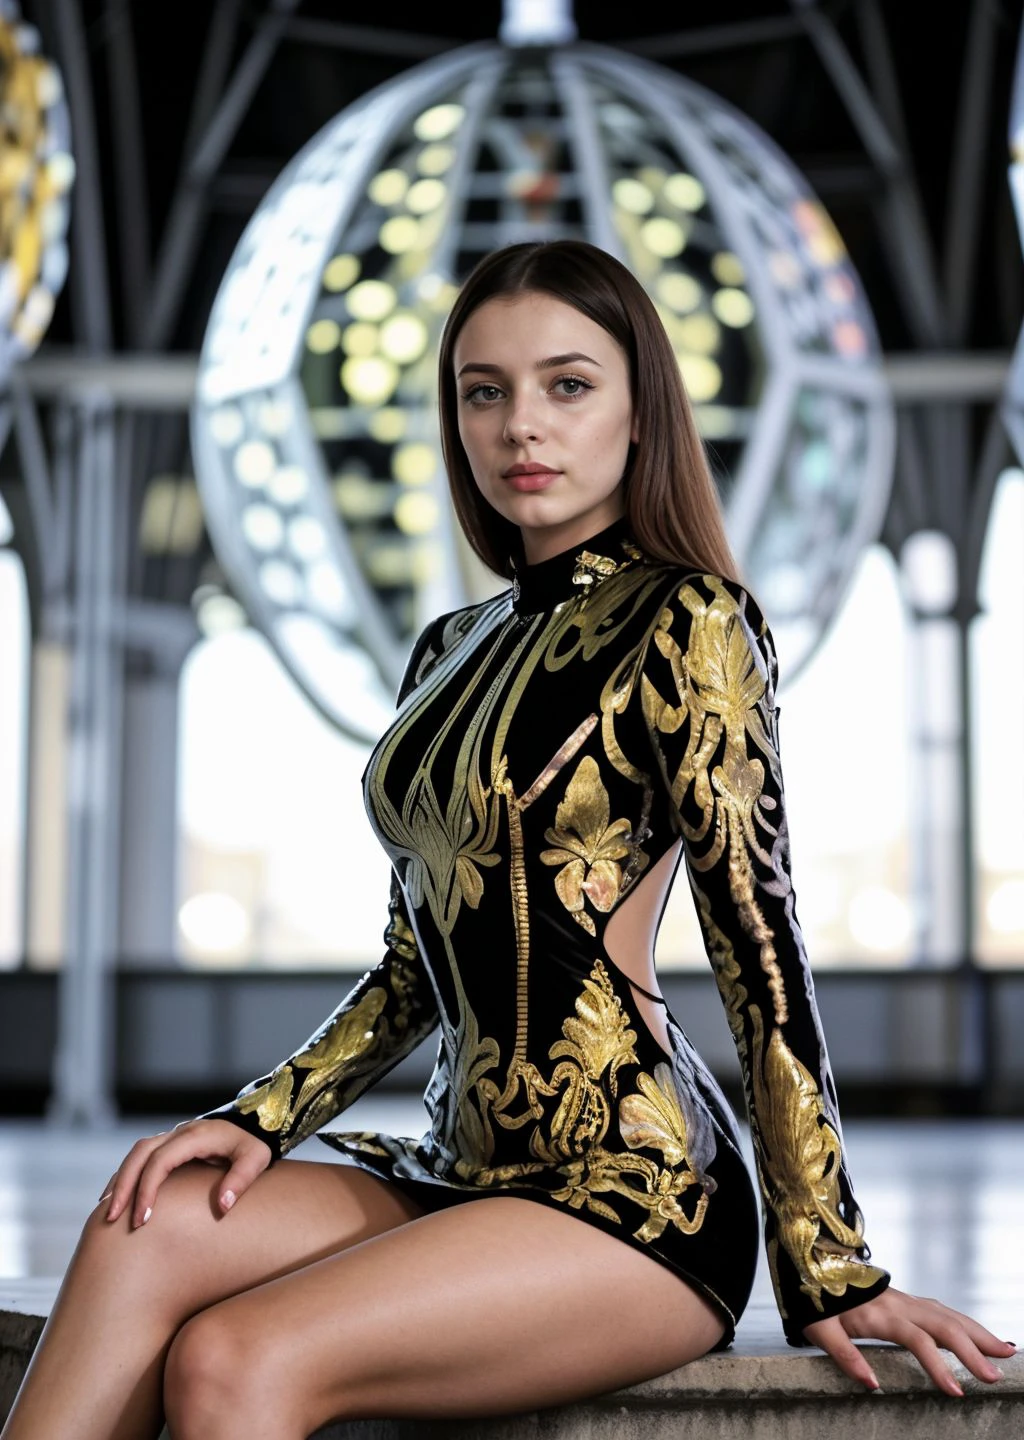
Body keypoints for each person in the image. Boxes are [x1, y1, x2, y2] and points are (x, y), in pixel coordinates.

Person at [2, 239, 1013, 1440]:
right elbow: (406, 973)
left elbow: (761, 949)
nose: (520, 425)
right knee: (143, 1225)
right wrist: (255, 1118)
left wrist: (833, 1267)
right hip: (457, 1165)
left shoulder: (689, 618)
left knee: (234, 1360)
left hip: (632, 1193)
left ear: (641, 412)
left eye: (567, 385)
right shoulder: (446, 648)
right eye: (485, 391)